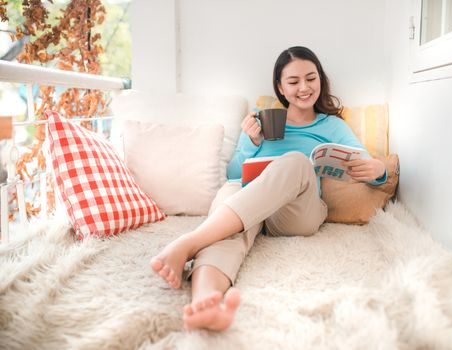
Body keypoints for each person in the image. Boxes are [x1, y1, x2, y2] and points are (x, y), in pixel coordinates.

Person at [150, 46, 387, 331]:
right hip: (252, 207)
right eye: (294, 81)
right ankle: (207, 301)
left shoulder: (332, 126)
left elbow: (365, 165)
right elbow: (235, 174)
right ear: (280, 88)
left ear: (320, 81)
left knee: (296, 162)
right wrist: (251, 141)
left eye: (311, 79)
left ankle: (188, 243)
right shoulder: (263, 120)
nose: (304, 87)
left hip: (297, 215)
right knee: (230, 194)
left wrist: (379, 170)